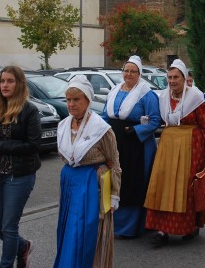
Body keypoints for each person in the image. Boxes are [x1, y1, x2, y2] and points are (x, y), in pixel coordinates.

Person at [144, 59, 205, 246]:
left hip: (192, 147)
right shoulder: (163, 97)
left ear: (184, 78)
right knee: (163, 184)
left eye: (176, 77)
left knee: (185, 187)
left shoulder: (196, 98)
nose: (172, 80)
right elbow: (158, 120)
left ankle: (189, 226)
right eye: (169, 77)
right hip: (168, 145)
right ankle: (162, 229)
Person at [55, 75, 121, 267]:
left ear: (88, 100)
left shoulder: (101, 129)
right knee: (69, 230)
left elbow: (113, 161)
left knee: (90, 230)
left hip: (93, 185)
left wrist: (114, 194)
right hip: (70, 184)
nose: (71, 104)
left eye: (76, 99)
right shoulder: (63, 126)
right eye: (68, 100)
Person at [0, 65, 41, 268]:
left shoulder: (30, 110)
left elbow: (34, 145)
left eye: (10, 81)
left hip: (20, 176)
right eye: (2, 81)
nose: (5, 85)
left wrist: (1, 145)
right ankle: (23, 246)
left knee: (9, 228)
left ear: (19, 84)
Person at [101, 55, 160, 238]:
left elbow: (155, 120)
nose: (128, 74)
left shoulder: (146, 94)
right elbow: (105, 115)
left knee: (132, 183)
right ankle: (112, 223)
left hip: (135, 143)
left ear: (139, 74)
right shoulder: (114, 91)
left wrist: (135, 130)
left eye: (133, 71)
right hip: (115, 141)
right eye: (126, 70)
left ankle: (131, 227)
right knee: (113, 180)